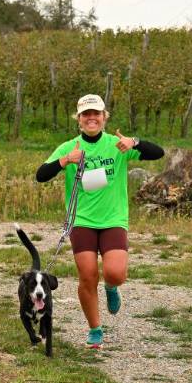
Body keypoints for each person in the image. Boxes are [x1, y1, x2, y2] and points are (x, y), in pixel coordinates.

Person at [35, 94, 164, 349]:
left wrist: (135, 142)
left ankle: (112, 288)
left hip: (113, 219)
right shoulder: (69, 147)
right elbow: (41, 175)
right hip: (81, 220)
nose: (91, 118)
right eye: (86, 114)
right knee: (88, 276)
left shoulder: (117, 145)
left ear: (104, 117)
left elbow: (158, 153)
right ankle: (95, 329)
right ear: (79, 119)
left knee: (115, 273)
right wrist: (65, 161)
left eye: (96, 113)